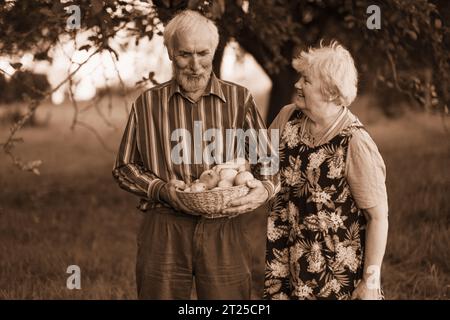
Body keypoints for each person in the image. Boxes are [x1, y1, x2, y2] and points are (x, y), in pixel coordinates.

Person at [112, 10, 278, 300]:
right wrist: (161, 190)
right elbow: (124, 166)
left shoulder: (240, 100)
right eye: (184, 54)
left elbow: (269, 163)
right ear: (170, 53)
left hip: (224, 225)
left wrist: (262, 191)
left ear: (213, 51)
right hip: (164, 224)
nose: (195, 65)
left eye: (203, 53)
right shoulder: (148, 103)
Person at [264, 41, 389, 300]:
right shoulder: (288, 118)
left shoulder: (354, 142)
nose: (297, 84)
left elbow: (378, 218)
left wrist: (371, 283)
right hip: (286, 264)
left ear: (331, 91)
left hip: (335, 278)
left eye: (306, 80)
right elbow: (255, 161)